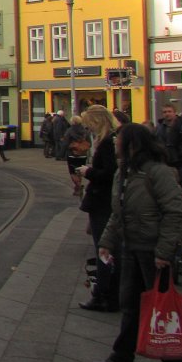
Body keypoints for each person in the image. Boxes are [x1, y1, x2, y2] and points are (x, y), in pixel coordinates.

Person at [94, 123, 182, 362]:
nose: (115, 143)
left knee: (164, 310)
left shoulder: (156, 172)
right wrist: (107, 242)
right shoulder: (123, 173)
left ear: (132, 144)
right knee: (130, 306)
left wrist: (164, 252)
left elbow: (175, 212)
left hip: (153, 251)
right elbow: (118, 212)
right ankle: (122, 357)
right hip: (131, 248)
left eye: (119, 140)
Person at [75, 106, 121, 311]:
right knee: (107, 247)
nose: (87, 128)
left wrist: (88, 172)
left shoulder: (107, 143)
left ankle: (104, 294)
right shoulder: (111, 140)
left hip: (103, 202)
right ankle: (108, 293)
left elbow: (109, 174)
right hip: (105, 201)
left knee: (104, 247)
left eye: (88, 123)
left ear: (97, 121)